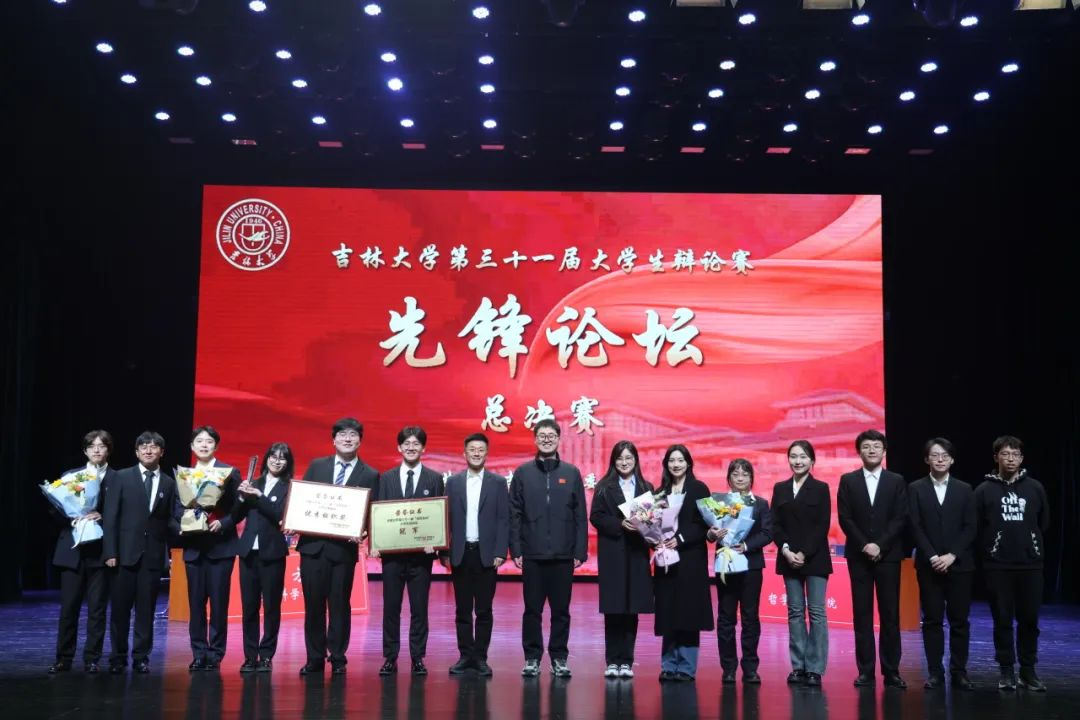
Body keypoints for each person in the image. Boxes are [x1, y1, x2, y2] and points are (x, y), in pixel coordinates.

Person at [296, 417, 378, 676]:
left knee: (340, 605)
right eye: (342, 434)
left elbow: (372, 513)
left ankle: (339, 656)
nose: (347, 439)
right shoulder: (317, 466)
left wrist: (365, 532)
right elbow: (302, 501)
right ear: (333, 440)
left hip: (343, 551)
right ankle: (315, 657)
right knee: (313, 605)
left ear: (360, 441)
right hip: (313, 548)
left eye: (353, 435)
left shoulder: (370, 474)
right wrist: (293, 520)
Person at [510, 419, 587, 678]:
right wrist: (516, 549)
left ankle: (559, 658)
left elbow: (580, 515)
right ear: (535, 439)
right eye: (541, 435)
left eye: (551, 435)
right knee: (532, 610)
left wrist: (579, 551)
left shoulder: (571, 473)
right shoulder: (523, 473)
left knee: (561, 611)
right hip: (532, 554)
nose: (546, 439)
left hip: (563, 555)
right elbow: (514, 514)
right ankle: (532, 657)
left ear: (558, 439)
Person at [974, 435, 1050, 692]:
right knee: (1003, 620)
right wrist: (994, 548)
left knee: (1029, 620)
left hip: (1030, 565)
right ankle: (1006, 670)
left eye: (1015, 454)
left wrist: (1031, 543)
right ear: (996, 457)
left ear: (1021, 458)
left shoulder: (1035, 488)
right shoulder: (983, 490)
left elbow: (1044, 522)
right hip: (998, 566)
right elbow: (976, 527)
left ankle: (1028, 670)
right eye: (1005, 454)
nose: (1010, 459)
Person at [837, 429, 909, 689]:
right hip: (859, 556)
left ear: (884, 451)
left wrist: (880, 544)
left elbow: (900, 517)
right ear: (859, 451)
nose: (871, 450)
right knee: (862, 614)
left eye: (876, 446)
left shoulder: (896, 480)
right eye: (866, 446)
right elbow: (845, 518)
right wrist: (865, 545)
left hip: (888, 556)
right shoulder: (848, 480)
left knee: (890, 614)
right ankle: (865, 671)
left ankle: (891, 671)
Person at [371, 425, 445, 676]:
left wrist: (436, 541)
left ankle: (417, 657)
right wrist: (376, 542)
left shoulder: (434, 479)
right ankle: (390, 657)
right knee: (391, 608)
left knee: (419, 609)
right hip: (392, 557)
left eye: (416, 443)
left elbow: (439, 516)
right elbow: (378, 512)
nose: (411, 447)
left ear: (423, 448)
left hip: (421, 558)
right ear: (399, 447)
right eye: (406, 443)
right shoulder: (386, 478)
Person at [102, 430, 178, 674]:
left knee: (146, 611)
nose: (148, 450)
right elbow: (110, 517)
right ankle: (117, 658)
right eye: (143, 446)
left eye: (154, 446)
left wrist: (190, 526)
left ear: (161, 452)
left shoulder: (169, 482)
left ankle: (141, 657)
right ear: (136, 452)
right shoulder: (121, 477)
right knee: (120, 611)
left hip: (152, 556)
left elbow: (168, 520)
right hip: (123, 555)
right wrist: (110, 552)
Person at [909, 437, 976, 691]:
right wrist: (932, 556)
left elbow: (970, 527)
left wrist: (952, 555)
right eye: (935, 455)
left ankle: (959, 672)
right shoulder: (916, 488)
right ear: (927, 459)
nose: (940, 459)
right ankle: (935, 672)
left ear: (952, 460)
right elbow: (914, 525)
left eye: (945, 455)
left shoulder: (964, 489)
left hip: (959, 565)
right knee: (932, 620)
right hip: (929, 565)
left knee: (959, 621)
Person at [48, 430, 117, 674]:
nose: (97, 449)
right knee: (69, 608)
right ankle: (63, 658)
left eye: (102, 445)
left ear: (108, 449)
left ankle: (92, 658)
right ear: (85, 450)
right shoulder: (71, 476)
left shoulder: (117, 478)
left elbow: (123, 513)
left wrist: (102, 516)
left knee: (97, 609)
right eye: (92, 446)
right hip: (73, 550)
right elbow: (55, 509)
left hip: (100, 552)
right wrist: (72, 517)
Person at [440, 432, 509, 677]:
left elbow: (503, 519)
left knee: (484, 610)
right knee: (462, 610)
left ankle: (480, 657)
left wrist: (501, 551)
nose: (476, 453)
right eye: (472, 449)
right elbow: (444, 518)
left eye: (481, 449)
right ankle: (465, 656)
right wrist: (444, 551)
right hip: (460, 553)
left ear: (486, 453)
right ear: (464, 453)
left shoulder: (498, 483)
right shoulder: (453, 482)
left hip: (486, 554)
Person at [177, 425, 242, 671]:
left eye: (209, 441)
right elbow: (176, 506)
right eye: (199, 441)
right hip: (194, 547)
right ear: (192, 447)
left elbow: (239, 507)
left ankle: (215, 654)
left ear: (216, 446)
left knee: (218, 604)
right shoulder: (185, 475)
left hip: (221, 547)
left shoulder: (229, 472)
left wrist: (224, 523)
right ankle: (198, 652)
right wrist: (184, 522)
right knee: (195, 605)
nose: (204, 445)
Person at [589, 440, 654, 679]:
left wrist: (649, 525)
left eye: (628, 458)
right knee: (614, 608)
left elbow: (652, 521)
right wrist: (619, 523)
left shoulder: (646, 487)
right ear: (613, 461)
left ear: (635, 460)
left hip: (637, 554)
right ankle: (612, 661)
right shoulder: (604, 487)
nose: (624, 462)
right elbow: (596, 516)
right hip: (613, 553)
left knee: (631, 609)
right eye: (620, 458)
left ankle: (626, 661)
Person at [771, 440, 831, 687]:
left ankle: (815, 668)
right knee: (795, 612)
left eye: (803, 456)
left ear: (812, 461)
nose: (798, 461)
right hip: (788, 558)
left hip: (814, 558)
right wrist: (786, 550)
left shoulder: (821, 488)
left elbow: (822, 525)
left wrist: (804, 553)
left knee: (816, 612)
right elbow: (775, 524)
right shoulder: (780, 488)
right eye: (794, 456)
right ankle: (798, 666)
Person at [652, 444, 713, 682]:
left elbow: (705, 523)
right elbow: (651, 524)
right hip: (665, 559)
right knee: (668, 610)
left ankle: (686, 667)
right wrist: (654, 538)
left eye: (680, 460)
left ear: (688, 463)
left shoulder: (699, 488)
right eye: (671, 460)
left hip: (690, 559)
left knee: (689, 611)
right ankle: (668, 665)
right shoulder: (659, 493)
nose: (675, 464)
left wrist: (680, 539)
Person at [709, 458, 772, 685]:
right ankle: (728, 668)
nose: (740, 478)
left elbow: (767, 533)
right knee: (726, 618)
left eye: (745, 474)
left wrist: (746, 546)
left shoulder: (761, 504)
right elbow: (710, 532)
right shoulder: (719, 503)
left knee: (750, 617)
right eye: (735, 474)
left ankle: (750, 668)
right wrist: (712, 534)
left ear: (751, 478)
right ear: (728, 478)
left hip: (751, 566)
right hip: (725, 565)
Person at [233, 442, 293, 673]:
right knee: (249, 607)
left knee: (271, 607)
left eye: (282, 458)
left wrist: (259, 496)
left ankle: (266, 655)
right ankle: (250, 656)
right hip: (248, 552)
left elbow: (279, 515)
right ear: (266, 458)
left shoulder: (289, 487)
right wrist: (241, 497)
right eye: (273, 456)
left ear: (287, 463)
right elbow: (237, 516)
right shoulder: (253, 483)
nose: (277, 461)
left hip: (273, 553)